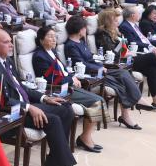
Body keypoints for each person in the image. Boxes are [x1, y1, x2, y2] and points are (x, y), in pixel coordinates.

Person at [0, 29, 97, 166]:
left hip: (25, 105)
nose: (11, 45)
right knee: (52, 120)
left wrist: (45, 98)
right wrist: (29, 107)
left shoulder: (6, 60)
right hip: (10, 113)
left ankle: (53, 165)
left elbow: (21, 87)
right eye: (5, 42)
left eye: (11, 41)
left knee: (65, 108)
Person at [31, 25, 105, 153]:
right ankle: (85, 138)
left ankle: (85, 137)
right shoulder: (40, 56)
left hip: (68, 87)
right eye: (50, 36)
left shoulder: (52, 52)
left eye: (55, 37)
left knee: (99, 101)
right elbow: (51, 79)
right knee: (98, 102)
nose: (54, 39)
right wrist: (71, 80)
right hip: (59, 90)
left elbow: (64, 70)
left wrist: (72, 77)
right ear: (41, 40)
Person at [62, 16, 143, 130]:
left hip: (98, 69)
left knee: (123, 73)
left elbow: (90, 58)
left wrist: (100, 65)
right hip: (91, 73)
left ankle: (130, 109)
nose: (86, 30)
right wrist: (99, 68)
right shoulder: (70, 45)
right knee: (121, 80)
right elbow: (81, 64)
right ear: (80, 29)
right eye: (85, 28)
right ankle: (135, 103)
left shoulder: (81, 41)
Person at [95, 8, 156, 115]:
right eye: (115, 21)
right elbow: (111, 52)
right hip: (120, 62)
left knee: (152, 69)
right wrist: (125, 51)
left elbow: (123, 48)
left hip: (128, 59)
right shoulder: (103, 33)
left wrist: (127, 50)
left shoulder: (115, 32)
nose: (117, 23)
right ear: (108, 22)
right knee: (152, 57)